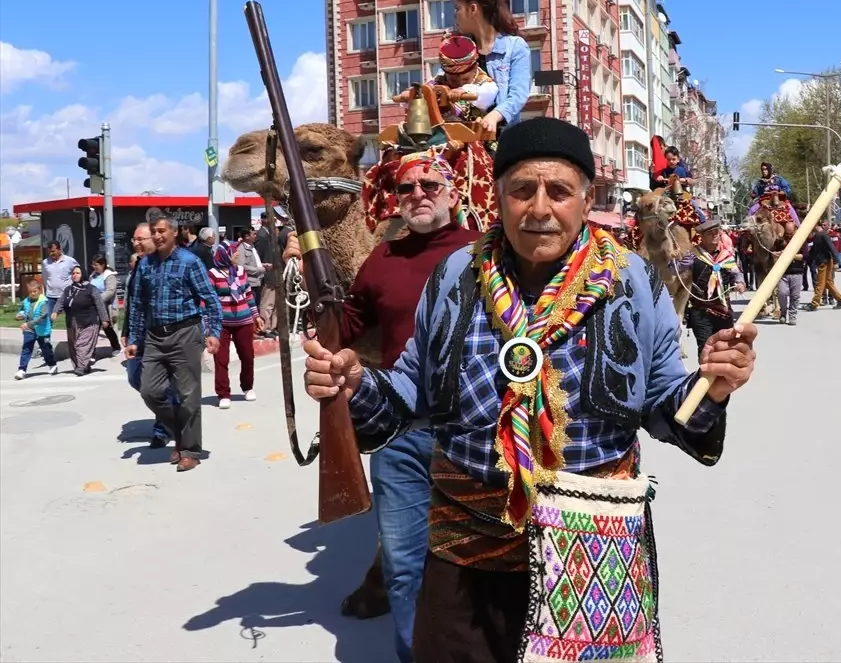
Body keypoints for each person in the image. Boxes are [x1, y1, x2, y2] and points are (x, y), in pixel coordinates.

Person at [302, 117, 758, 661]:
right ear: (497, 198)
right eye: (522, 190)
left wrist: (713, 387)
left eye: (559, 191)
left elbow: (664, 407)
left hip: (592, 548)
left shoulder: (633, 279)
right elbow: (409, 394)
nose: (539, 208)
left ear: (586, 201)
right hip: (463, 551)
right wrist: (356, 384)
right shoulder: (454, 275)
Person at [286, 146, 479, 662]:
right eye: (406, 189)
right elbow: (352, 321)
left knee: (479, 563)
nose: (417, 195)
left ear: (452, 194)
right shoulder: (382, 258)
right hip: (399, 429)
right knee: (403, 563)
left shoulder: (485, 252)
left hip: (472, 429)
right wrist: (320, 322)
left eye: (429, 186)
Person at [125, 214, 222, 472]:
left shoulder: (190, 262)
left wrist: (214, 332)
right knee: (150, 390)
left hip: (186, 334)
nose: (156, 236)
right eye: (153, 232)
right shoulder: (146, 265)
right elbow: (138, 305)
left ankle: (189, 450)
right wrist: (134, 338)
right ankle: (180, 431)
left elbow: (211, 299)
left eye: (161, 231)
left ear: (174, 233)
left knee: (189, 396)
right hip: (155, 337)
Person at [453, 0, 531, 135]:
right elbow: (440, 81)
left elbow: (518, 94)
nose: (455, 15)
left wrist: (495, 116)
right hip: (464, 136)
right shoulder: (458, 50)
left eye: (458, 8)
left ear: (473, 9)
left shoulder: (515, 47)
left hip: (504, 139)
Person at [122, 224, 175, 448]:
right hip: (141, 336)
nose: (136, 243)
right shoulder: (139, 267)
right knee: (136, 378)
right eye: (134, 239)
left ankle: (163, 428)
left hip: (165, 335)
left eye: (140, 239)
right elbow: (133, 303)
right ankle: (173, 413)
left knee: (159, 384)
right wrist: (128, 332)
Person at [208, 240, 263, 409]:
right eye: (233, 252)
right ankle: (223, 394)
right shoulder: (212, 274)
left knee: (247, 356)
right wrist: (208, 327)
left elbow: (248, 295)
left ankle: (247, 387)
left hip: (244, 321)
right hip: (221, 323)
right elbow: (209, 301)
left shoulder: (240, 271)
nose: (237, 254)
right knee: (221, 360)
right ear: (225, 255)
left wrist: (256, 316)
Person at [679, 219, 745, 351]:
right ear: (702, 236)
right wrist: (675, 262)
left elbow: (736, 273)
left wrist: (740, 283)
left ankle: (722, 372)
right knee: (705, 348)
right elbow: (675, 272)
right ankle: (706, 372)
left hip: (723, 310)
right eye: (710, 233)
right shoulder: (692, 255)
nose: (715, 235)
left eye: (717, 232)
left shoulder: (726, 255)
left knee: (725, 347)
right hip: (701, 310)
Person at [51, 265, 108, 376]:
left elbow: (100, 304)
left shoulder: (91, 289)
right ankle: (82, 365)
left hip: (89, 322)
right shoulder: (69, 289)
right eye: (73, 273)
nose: (75, 275)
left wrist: (104, 319)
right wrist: (55, 311)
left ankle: (81, 367)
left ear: (83, 275)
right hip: (72, 322)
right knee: (73, 346)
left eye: (78, 273)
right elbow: (61, 301)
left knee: (81, 345)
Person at [14, 278, 57, 380]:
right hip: (30, 330)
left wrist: (28, 324)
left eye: (35, 291)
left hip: (42, 330)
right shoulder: (26, 301)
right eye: (30, 292)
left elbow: (42, 317)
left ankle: (52, 364)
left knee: (46, 349)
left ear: (39, 291)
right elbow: (24, 311)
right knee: (26, 348)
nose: (32, 294)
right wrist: (20, 315)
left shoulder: (44, 302)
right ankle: (22, 369)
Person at [802, 220, 841, 312]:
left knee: (820, 283)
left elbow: (832, 248)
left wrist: (837, 262)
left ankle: (814, 304)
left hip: (825, 262)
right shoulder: (817, 236)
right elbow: (813, 251)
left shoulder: (823, 235)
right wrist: (804, 258)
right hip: (823, 261)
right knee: (828, 282)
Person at [776, 221, 808, 324]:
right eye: (787, 232)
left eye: (791, 232)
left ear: (795, 230)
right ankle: (783, 313)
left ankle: (792, 315)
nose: (789, 235)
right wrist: (777, 254)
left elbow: (805, 256)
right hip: (783, 272)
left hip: (796, 272)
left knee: (795, 295)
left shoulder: (801, 241)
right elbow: (774, 252)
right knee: (782, 293)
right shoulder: (780, 241)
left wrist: (790, 255)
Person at [89, 254, 121, 353]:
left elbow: (110, 291)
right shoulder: (93, 275)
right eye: (93, 265)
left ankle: (116, 347)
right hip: (93, 307)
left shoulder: (109, 275)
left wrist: (98, 299)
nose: (94, 267)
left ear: (103, 265)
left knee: (107, 328)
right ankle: (91, 352)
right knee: (93, 328)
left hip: (106, 306)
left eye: (96, 265)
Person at [41, 240, 78, 317]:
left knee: (71, 318)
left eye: (53, 251)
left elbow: (78, 273)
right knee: (48, 318)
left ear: (60, 250)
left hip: (66, 295)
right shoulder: (45, 262)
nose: (51, 254)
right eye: (49, 252)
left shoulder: (70, 261)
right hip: (50, 296)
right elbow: (45, 278)